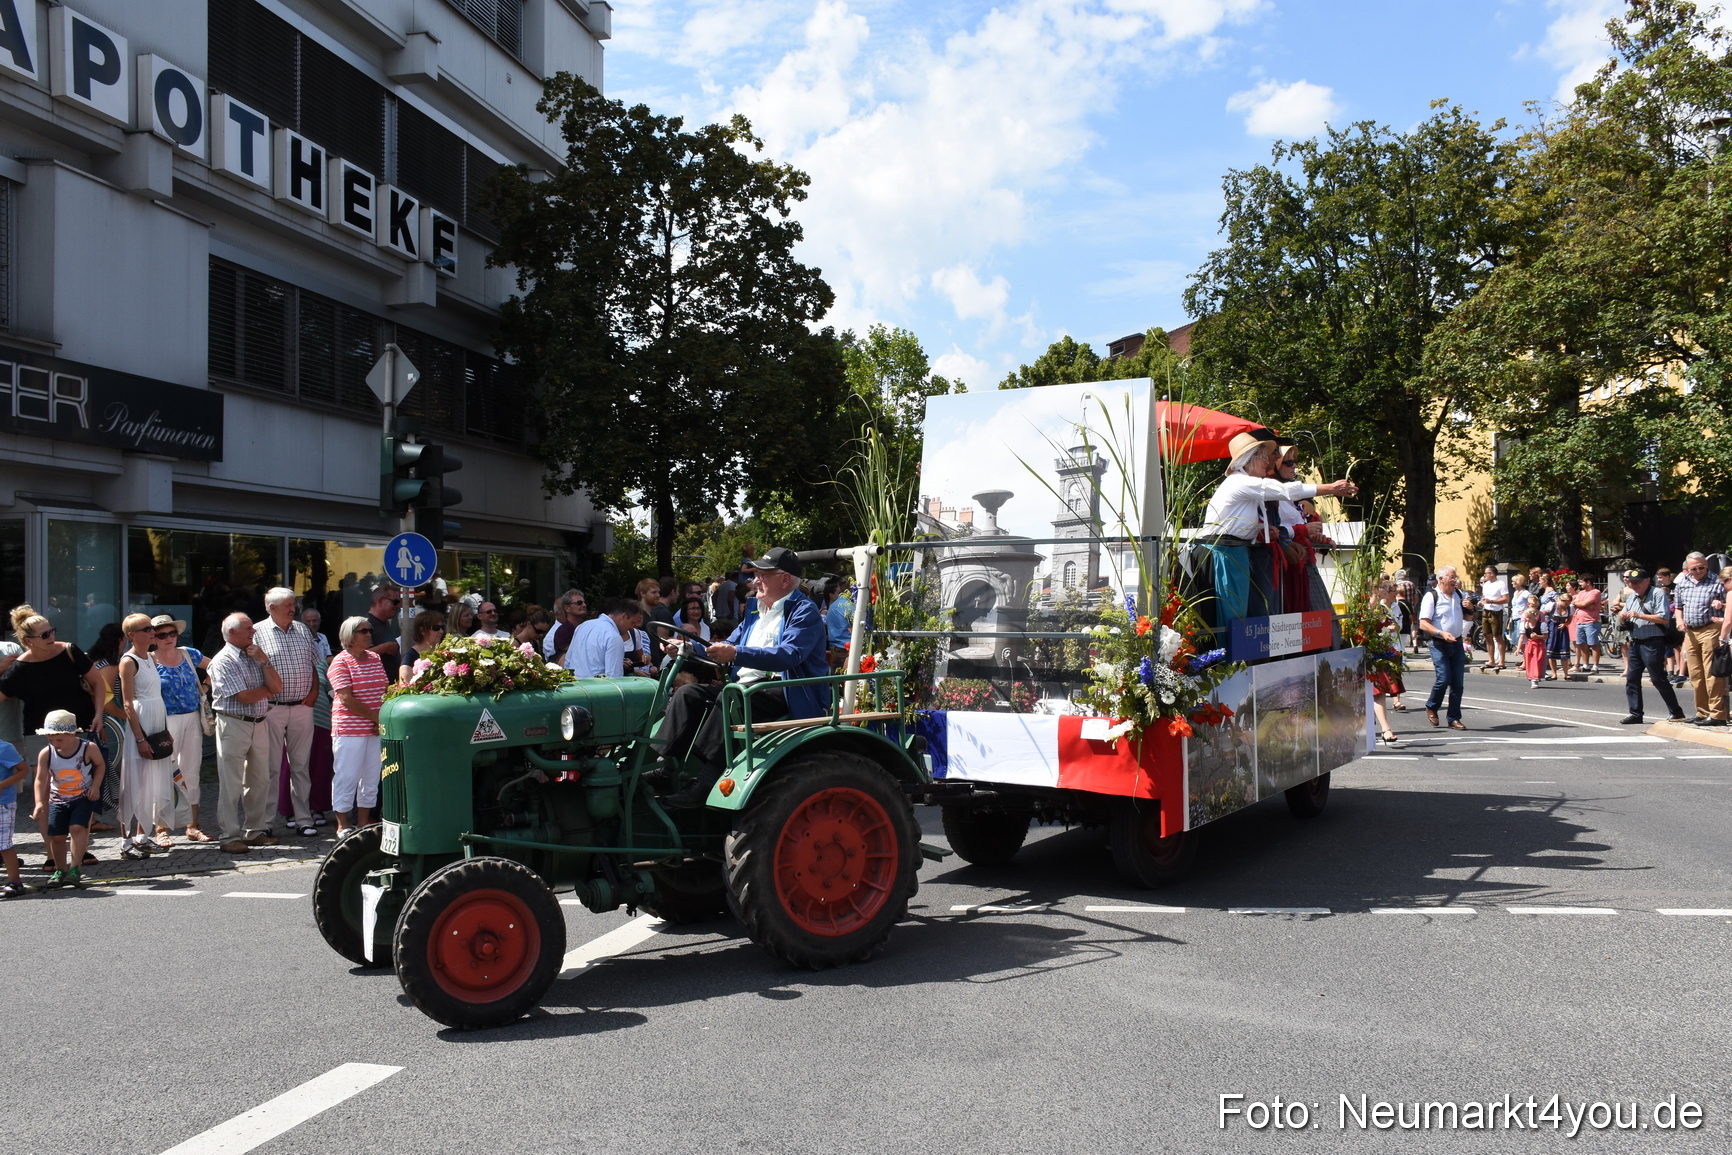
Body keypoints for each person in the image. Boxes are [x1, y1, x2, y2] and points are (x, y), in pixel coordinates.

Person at [654, 548, 831, 808]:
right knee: (688, 694)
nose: (755, 580)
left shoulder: (804, 611)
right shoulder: (755, 610)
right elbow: (727, 645)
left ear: (785, 579)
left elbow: (789, 655)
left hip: (786, 690)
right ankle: (664, 768)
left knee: (731, 698)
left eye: (762, 575)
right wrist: (687, 648)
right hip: (747, 688)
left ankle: (704, 782)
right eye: (756, 574)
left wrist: (736, 654)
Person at [1197, 433, 1358, 625]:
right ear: (1247, 460)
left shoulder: (1246, 484)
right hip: (1223, 552)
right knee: (1231, 616)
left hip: (1234, 551)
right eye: (1263, 457)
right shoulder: (1240, 482)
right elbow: (1286, 491)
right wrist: (1330, 488)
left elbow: (1241, 522)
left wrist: (1263, 530)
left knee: (1237, 614)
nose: (1267, 461)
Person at [208, 612, 284, 854]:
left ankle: (254, 831)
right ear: (232, 633)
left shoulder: (255, 655)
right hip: (233, 723)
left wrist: (265, 661)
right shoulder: (223, 660)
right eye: (248, 628)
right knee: (231, 783)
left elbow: (277, 686)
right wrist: (268, 690)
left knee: (260, 780)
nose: (254, 631)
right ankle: (229, 836)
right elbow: (244, 696)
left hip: (259, 722)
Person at [0, 606, 106, 778]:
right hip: (40, 733)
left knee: (84, 783)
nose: (51, 637)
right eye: (44, 635)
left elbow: (98, 682)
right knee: (44, 784)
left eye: (51, 631)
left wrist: (99, 715)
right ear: (29, 641)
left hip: (79, 727)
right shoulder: (19, 669)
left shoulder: (69, 651)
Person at [255, 587, 322, 839]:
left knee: (301, 766)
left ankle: (303, 819)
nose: (293, 609)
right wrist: (263, 699)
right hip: (273, 708)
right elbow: (251, 670)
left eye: (294, 604)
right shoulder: (257, 632)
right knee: (271, 767)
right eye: (288, 605)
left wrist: (314, 692)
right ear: (272, 608)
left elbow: (314, 665)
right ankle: (266, 822)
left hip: (302, 707)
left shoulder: (303, 630)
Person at [150, 616, 212, 842]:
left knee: (192, 770)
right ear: (153, 638)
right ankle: (161, 828)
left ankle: (192, 825)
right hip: (164, 721)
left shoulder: (188, 654)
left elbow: (216, 666)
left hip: (192, 717)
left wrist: (205, 685)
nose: (168, 638)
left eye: (172, 633)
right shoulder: (149, 660)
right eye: (162, 635)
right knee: (164, 772)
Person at [116, 613, 172, 858]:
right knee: (133, 781)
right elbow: (128, 703)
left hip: (156, 718)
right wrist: (140, 738)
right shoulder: (128, 661)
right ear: (131, 635)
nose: (152, 632)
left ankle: (142, 835)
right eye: (146, 629)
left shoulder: (150, 657)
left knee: (151, 781)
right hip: (141, 722)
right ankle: (125, 840)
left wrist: (164, 730)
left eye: (151, 628)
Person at [328, 617, 389, 836]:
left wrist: (379, 719)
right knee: (347, 776)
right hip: (350, 729)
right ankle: (343, 825)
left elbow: (384, 689)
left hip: (374, 728)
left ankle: (363, 823)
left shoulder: (375, 658)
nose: (368, 634)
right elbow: (346, 699)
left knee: (371, 777)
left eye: (369, 630)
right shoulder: (340, 662)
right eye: (363, 631)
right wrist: (376, 718)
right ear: (350, 636)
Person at [31, 709, 105, 889]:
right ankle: (60, 870)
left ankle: (75, 868)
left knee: (77, 828)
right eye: (50, 740)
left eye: (59, 740)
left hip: (82, 797)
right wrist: (39, 802)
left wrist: (95, 786)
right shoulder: (46, 753)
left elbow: (100, 764)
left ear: (72, 734)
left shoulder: (88, 748)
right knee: (57, 836)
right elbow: (40, 779)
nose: (55, 744)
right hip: (57, 799)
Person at [1614, 568, 1685, 725]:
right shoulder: (1632, 596)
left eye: (1638, 582)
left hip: (1652, 642)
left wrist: (1639, 615)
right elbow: (1624, 613)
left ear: (1647, 581)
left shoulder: (1658, 594)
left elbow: (1664, 618)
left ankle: (1676, 712)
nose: (1635, 585)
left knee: (1657, 678)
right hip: (1635, 641)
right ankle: (1635, 713)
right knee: (1632, 679)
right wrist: (1623, 616)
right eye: (1632, 582)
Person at [1673, 553, 1727, 726]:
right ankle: (1702, 712)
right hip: (1690, 631)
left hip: (1710, 628)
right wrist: (1679, 620)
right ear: (1688, 568)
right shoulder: (1683, 583)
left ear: (1707, 565)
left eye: (1701, 567)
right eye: (1693, 568)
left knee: (1711, 672)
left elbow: (1729, 606)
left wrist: (1721, 605)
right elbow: (1678, 607)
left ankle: (1717, 714)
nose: (1698, 571)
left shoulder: (1717, 582)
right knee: (1695, 673)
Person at [1420, 566, 1469, 730]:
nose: (1455, 580)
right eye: (1452, 577)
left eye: (1455, 577)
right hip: (1438, 643)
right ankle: (1432, 706)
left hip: (1457, 642)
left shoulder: (1458, 594)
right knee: (1444, 678)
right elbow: (1423, 623)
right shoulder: (1432, 596)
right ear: (1441, 579)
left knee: (1458, 683)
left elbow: (1469, 617)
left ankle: (1454, 718)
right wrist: (1441, 633)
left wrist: (1471, 609)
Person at [564, 599, 643, 678]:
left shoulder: (582, 626)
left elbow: (568, 661)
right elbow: (614, 677)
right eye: (632, 622)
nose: (632, 628)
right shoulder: (614, 637)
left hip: (575, 684)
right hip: (598, 685)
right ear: (624, 616)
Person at [0, 736, 25, 896]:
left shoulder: (4, 748)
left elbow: (23, 770)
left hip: (3, 803)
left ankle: (15, 882)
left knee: (4, 845)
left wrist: (2, 785)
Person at [365, 586, 404, 680]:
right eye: (395, 602)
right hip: (376, 683)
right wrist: (384, 648)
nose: (398, 606)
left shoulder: (385, 622)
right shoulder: (365, 624)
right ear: (380, 601)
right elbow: (357, 655)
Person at [399, 610, 447, 686]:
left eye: (442, 627)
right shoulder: (410, 657)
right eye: (436, 628)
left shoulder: (444, 652)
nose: (441, 631)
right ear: (422, 631)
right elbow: (404, 686)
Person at [1569, 575, 1604, 675]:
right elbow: (1575, 603)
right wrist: (1582, 604)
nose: (1580, 584)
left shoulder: (1595, 592)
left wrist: (1581, 604)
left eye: (1581, 582)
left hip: (1591, 622)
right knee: (1582, 644)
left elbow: (1584, 604)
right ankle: (1586, 665)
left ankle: (1595, 666)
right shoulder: (1581, 593)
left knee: (1593, 643)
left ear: (1588, 582)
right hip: (1579, 622)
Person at [1477, 566, 1510, 671]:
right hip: (1486, 611)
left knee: (1498, 636)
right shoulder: (1486, 584)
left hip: (1496, 612)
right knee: (1487, 635)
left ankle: (1501, 661)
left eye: (1486, 573)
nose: (1485, 575)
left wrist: (1491, 601)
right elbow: (1484, 598)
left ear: (1492, 574)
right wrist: (1482, 602)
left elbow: (1506, 599)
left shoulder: (1500, 584)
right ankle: (1491, 660)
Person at [544, 590, 588, 661]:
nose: (584, 605)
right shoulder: (562, 632)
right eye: (579, 603)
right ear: (567, 608)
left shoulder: (586, 628)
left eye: (584, 602)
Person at [1519, 600, 1547, 689]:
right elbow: (1522, 637)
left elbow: (1546, 636)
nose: (1527, 619)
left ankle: (1535, 679)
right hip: (1529, 645)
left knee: (1537, 661)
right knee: (1529, 661)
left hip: (1539, 645)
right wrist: (1518, 648)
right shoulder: (1525, 625)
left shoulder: (1541, 625)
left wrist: (1537, 636)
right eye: (1526, 617)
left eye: (1529, 617)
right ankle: (1532, 677)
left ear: (1535, 616)